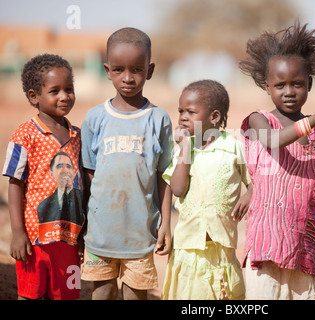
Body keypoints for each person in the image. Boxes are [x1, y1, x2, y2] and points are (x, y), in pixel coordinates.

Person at [238, 21, 315, 299]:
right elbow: (275, 141)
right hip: (268, 243)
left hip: (308, 245)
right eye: (280, 85)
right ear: (267, 87)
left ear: (309, 84)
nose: (289, 91)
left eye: (297, 84)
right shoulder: (259, 120)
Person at [80, 27, 173, 300]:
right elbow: (88, 174)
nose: (128, 78)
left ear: (150, 69)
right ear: (107, 70)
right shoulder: (95, 118)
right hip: (101, 234)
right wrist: (84, 222)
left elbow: (163, 174)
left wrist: (166, 222)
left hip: (140, 234)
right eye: (119, 69)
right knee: (103, 293)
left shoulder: (159, 119)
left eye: (137, 70)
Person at [2, 54, 85, 300]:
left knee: (66, 295)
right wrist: (18, 232)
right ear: (34, 96)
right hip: (34, 237)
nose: (64, 96)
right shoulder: (25, 134)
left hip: (69, 239)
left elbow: (84, 185)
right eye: (55, 91)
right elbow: (15, 184)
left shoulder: (78, 135)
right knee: (30, 294)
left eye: (69, 89)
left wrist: (85, 230)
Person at [161, 80, 252, 300]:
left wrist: (250, 194)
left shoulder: (234, 146)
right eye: (181, 111)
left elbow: (254, 180)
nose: (183, 117)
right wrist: (184, 149)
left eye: (191, 112)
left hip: (221, 248)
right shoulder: (183, 149)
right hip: (188, 247)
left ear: (214, 117)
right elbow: (178, 189)